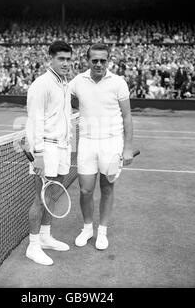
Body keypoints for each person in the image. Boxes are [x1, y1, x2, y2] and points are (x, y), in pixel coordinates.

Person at [69, 43, 134, 251]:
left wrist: (128, 148)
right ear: (88, 60)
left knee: (107, 188)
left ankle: (102, 231)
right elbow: (65, 101)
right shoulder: (77, 81)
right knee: (85, 189)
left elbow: (127, 116)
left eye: (102, 60)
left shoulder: (119, 82)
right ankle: (87, 228)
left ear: (108, 60)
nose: (98, 64)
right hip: (87, 142)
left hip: (112, 142)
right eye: (94, 60)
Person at [25, 41, 73, 266]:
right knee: (39, 198)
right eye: (61, 59)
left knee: (53, 195)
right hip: (46, 149)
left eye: (68, 59)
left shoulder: (65, 83)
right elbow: (34, 121)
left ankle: (45, 236)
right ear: (50, 59)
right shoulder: (41, 84)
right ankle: (33, 246)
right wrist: (39, 155)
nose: (65, 63)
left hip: (63, 148)